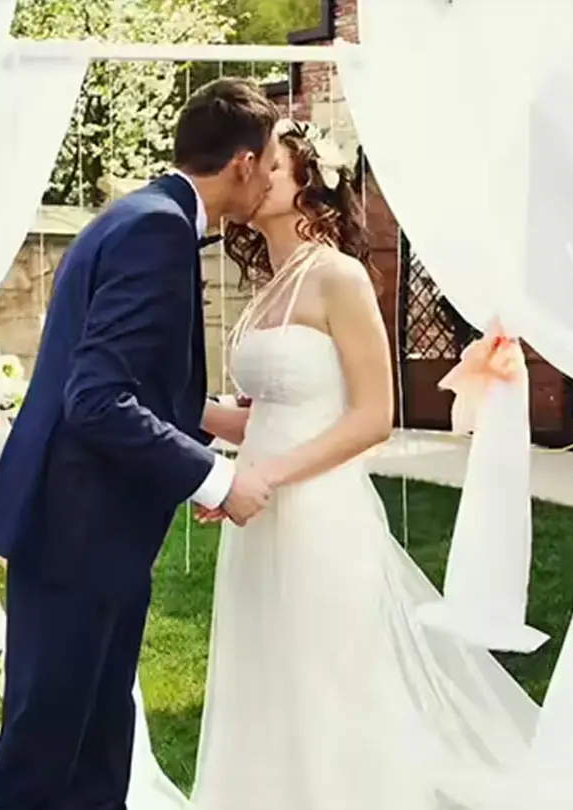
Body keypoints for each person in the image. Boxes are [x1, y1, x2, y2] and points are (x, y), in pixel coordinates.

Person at [187, 119, 541, 809]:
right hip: (255, 508)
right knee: (266, 669)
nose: (257, 174)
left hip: (317, 511)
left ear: (308, 183)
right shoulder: (268, 285)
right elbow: (261, 417)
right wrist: (183, 409)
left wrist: (267, 475)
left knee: (327, 676)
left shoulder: (338, 278)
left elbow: (372, 418)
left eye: (275, 166)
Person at [0, 77, 280, 810]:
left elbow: (127, 379)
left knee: (97, 745)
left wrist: (210, 417)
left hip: (89, 529)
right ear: (241, 162)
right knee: (43, 754)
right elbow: (98, 400)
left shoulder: (145, 215)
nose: (270, 176)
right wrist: (215, 479)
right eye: (268, 162)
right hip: (80, 528)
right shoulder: (157, 231)